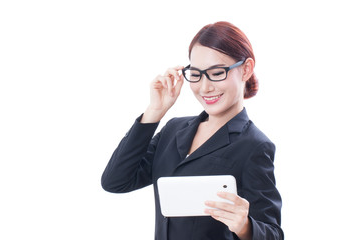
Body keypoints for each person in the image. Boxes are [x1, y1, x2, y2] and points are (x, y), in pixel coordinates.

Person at [101, 21, 283, 240]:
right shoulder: (173, 129)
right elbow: (115, 181)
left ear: (246, 69)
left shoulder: (254, 145)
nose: (204, 87)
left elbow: (273, 234)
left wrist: (245, 226)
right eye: (196, 74)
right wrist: (155, 111)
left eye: (217, 73)